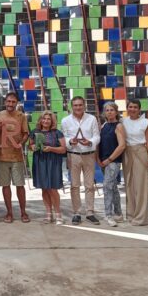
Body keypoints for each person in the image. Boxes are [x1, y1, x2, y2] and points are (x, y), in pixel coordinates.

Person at [61, 96, 101, 225]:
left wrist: (90, 142)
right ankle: (77, 213)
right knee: (74, 185)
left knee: (89, 185)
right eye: (75, 105)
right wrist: (69, 141)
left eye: (80, 105)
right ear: (71, 107)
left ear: (84, 106)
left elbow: (97, 136)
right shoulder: (65, 121)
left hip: (89, 155)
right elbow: (64, 137)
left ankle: (90, 212)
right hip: (73, 155)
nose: (78, 107)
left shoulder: (92, 119)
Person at [0, 92, 30, 223]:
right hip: (1, 155)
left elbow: (26, 133)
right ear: (5, 102)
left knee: (20, 185)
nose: (10, 104)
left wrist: (21, 143)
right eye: (8, 101)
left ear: (17, 103)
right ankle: (9, 212)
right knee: (5, 186)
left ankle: (23, 212)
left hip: (16, 157)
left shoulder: (21, 116)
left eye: (13, 102)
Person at [29, 110, 67, 225]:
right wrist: (33, 147)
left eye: (48, 119)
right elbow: (30, 146)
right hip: (40, 161)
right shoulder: (34, 132)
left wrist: (51, 149)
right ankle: (48, 213)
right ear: (40, 120)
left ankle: (58, 213)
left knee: (53, 188)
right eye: (44, 118)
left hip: (53, 162)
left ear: (52, 121)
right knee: (44, 188)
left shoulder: (57, 133)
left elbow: (63, 149)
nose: (46, 121)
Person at [122, 99, 148, 226]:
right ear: (127, 108)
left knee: (141, 186)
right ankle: (131, 215)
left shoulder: (145, 122)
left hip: (141, 151)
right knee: (129, 185)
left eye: (135, 107)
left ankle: (141, 218)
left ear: (139, 109)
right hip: (126, 152)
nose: (132, 109)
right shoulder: (123, 121)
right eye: (130, 107)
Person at [98, 102, 127, 227]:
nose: (109, 112)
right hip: (103, 161)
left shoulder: (119, 126)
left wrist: (109, 159)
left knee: (107, 186)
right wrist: (99, 160)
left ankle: (108, 215)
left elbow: (122, 146)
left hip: (113, 161)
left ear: (116, 112)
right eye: (107, 110)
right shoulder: (104, 126)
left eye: (112, 110)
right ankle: (119, 214)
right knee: (113, 187)